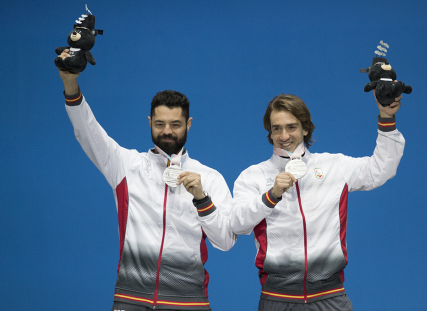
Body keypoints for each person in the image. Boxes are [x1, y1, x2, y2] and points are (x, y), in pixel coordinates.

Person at [57, 49, 236, 311]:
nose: (166, 131)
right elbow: (86, 130)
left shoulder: (210, 178)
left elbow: (226, 242)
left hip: (188, 300)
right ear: (150, 122)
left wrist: (202, 198)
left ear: (189, 124)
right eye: (160, 123)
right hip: (132, 298)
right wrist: (69, 83)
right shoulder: (125, 165)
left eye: (175, 124)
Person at [230, 92, 404, 311]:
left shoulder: (335, 166)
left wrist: (387, 119)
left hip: (331, 296)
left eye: (291, 127)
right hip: (278, 298)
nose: (284, 135)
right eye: (277, 128)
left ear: (305, 128)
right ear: (270, 133)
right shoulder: (252, 176)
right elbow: (237, 224)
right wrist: (270, 196)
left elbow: (381, 170)